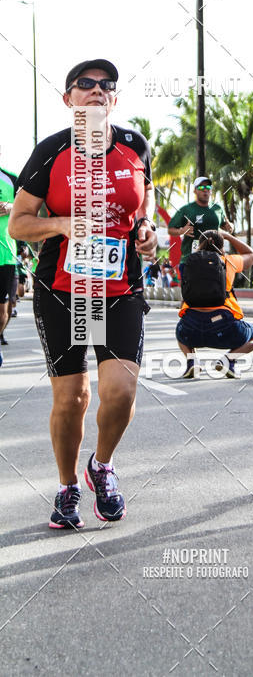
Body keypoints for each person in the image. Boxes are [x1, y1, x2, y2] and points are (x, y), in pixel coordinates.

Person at [8, 59, 157, 530]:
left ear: (115, 98)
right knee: (72, 398)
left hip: (120, 288)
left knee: (121, 391)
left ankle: (103, 465)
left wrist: (147, 228)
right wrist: (61, 224)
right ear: (68, 97)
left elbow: (145, 196)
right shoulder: (51, 152)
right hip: (65, 289)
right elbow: (19, 223)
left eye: (106, 85)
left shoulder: (134, 145)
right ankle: (67, 485)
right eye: (86, 85)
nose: (97, 91)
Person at [176, 229, 253, 379]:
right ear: (222, 247)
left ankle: (192, 362)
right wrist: (229, 236)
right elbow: (252, 255)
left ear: (199, 245)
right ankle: (228, 361)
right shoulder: (229, 261)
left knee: (180, 329)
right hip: (224, 324)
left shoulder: (190, 262)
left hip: (190, 327)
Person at [168, 177, 233, 282]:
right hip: (191, 259)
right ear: (195, 190)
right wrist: (181, 231)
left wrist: (230, 226)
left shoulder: (217, 209)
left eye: (208, 187)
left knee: (214, 294)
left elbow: (225, 225)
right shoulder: (187, 209)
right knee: (191, 296)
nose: (205, 189)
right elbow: (171, 229)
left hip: (214, 259)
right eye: (201, 187)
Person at [0, 160, 18, 365]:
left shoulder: (11, 178)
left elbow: (28, 206)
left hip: (4, 254)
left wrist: (10, 206)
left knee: (2, 310)